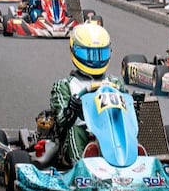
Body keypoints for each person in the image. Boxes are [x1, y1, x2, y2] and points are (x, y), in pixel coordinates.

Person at [49, 23, 125, 167]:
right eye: (88, 54)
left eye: (100, 54)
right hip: (80, 137)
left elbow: (128, 114)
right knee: (75, 130)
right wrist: (71, 109)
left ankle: (137, 161)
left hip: (113, 133)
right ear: (75, 51)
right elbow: (61, 122)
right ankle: (83, 166)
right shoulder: (65, 85)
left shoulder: (115, 83)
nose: (95, 60)